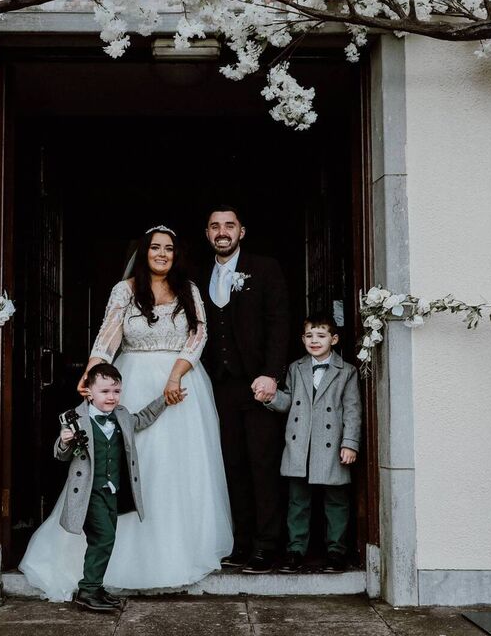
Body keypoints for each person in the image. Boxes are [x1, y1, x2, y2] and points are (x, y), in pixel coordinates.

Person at [20, 226, 232, 600]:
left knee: (178, 470)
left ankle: (177, 553)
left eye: (168, 248)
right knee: (135, 464)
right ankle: (115, 560)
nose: (162, 253)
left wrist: (176, 375)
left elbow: (198, 336)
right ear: (144, 251)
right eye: (155, 247)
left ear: (176, 254)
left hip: (182, 383)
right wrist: (92, 372)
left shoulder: (190, 290)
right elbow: (108, 336)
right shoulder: (126, 290)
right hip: (133, 381)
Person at [199, 206, 290, 574]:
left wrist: (271, 374)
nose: (222, 232)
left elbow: (279, 322)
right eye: (215, 226)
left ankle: (268, 545)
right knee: (231, 465)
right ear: (207, 234)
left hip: (257, 386)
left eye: (229, 226)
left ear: (242, 231)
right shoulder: (195, 276)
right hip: (217, 387)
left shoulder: (265, 268)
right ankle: (241, 542)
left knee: (262, 464)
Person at [52, 364, 178, 612]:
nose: (111, 397)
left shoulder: (121, 415)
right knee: (103, 538)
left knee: (104, 539)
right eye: (105, 391)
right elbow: (60, 454)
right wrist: (65, 441)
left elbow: (142, 418)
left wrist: (164, 400)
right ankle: (87, 590)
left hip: (112, 491)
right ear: (88, 391)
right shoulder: (76, 420)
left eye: (116, 391)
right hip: (89, 493)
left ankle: (94, 587)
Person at [261, 314, 362, 573]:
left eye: (321, 335)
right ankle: (295, 550)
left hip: (331, 445)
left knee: (336, 501)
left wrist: (350, 443)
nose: (314, 341)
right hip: (300, 444)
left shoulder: (346, 371)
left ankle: (336, 551)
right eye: (309, 336)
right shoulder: (296, 368)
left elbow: (352, 410)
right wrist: (269, 398)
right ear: (302, 339)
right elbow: (288, 402)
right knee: (298, 501)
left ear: (334, 339)